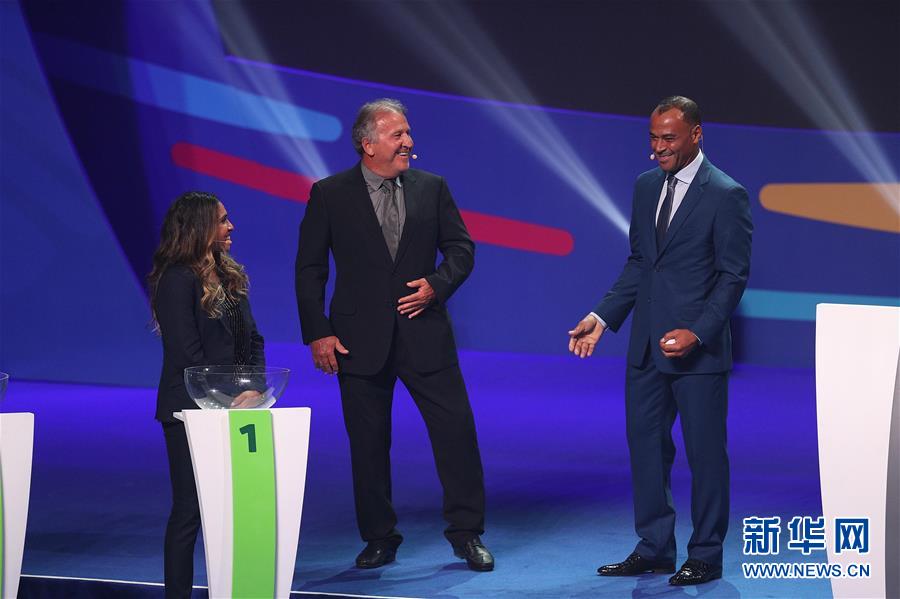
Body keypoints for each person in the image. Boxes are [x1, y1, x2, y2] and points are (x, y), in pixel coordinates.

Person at [295, 98, 493, 571]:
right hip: (357, 339)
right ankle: (379, 537)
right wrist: (318, 333)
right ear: (368, 144)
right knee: (367, 445)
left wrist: (437, 285)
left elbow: (461, 249)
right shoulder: (329, 194)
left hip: (425, 334)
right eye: (397, 134)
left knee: (456, 434)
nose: (409, 141)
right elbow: (309, 269)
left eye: (407, 133)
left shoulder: (432, 187)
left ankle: (466, 533)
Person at [568, 96, 752, 586]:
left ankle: (706, 554)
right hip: (646, 349)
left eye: (668, 138)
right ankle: (654, 548)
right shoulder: (645, 186)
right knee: (646, 449)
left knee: (705, 455)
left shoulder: (726, 194)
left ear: (696, 134)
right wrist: (602, 317)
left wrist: (699, 331)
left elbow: (733, 276)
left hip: (698, 353)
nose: (658, 148)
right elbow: (640, 264)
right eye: (653, 138)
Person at [148, 191, 265, 598]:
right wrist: (224, 399)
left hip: (237, 408)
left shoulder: (230, 275)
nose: (231, 227)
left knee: (232, 508)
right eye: (222, 220)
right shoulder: (176, 280)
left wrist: (254, 387)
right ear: (199, 227)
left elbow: (253, 339)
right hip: (189, 412)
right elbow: (187, 355)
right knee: (190, 511)